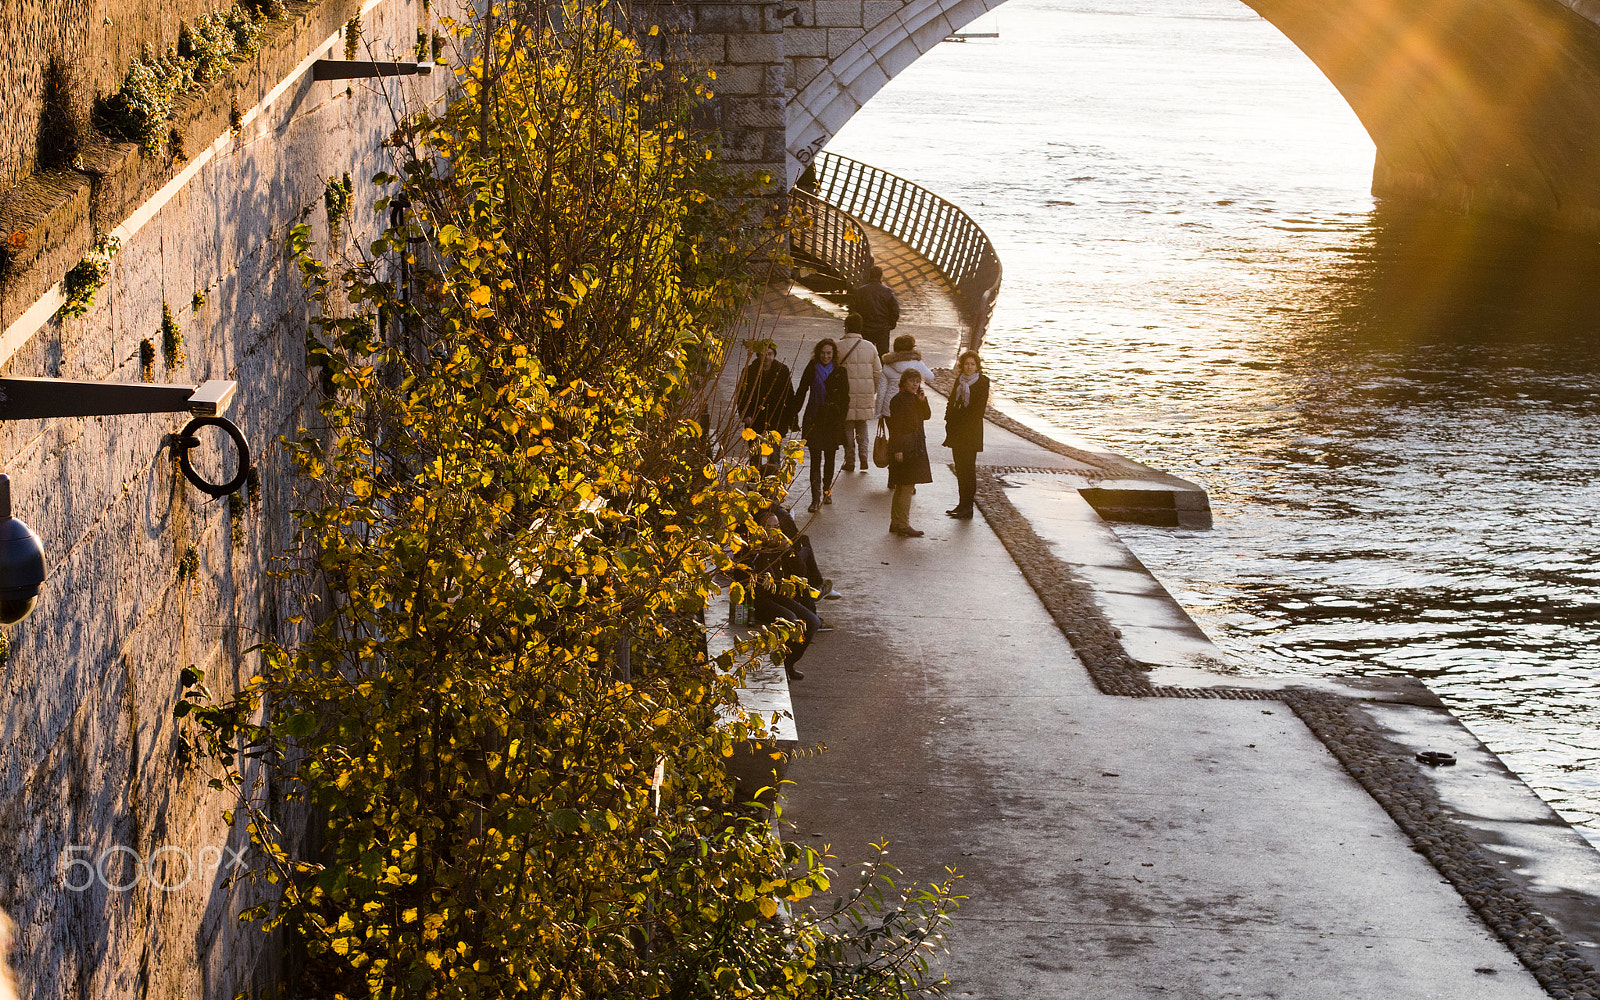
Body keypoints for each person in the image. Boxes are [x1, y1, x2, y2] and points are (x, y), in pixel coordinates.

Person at [751, 511, 822, 680]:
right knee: (790, 620)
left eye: (776, 527)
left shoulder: (780, 547)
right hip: (759, 599)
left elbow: (800, 571)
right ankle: (780, 664)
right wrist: (762, 551)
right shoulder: (753, 549)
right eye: (769, 527)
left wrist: (788, 552)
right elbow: (754, 582)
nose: (774, 531)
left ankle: (789, 663)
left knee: (813, 622)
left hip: (779, 595)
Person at [790, 338, 850, 512]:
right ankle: (815, 498)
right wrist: (793, 415)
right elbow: (802, 391)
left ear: (834, 354)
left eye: (829, 353)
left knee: (830, 459)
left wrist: (841, 417)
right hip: (814, 418)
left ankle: (826, 491)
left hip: (832, 421)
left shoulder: (840, 371)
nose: (825, 356)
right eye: (823, 353)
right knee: (815, 460)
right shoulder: (812, 368)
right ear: (818, 353)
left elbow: (845, 398)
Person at [942, 350, 990, 519]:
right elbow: (951, 401)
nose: (969, 367)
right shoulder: (959, 380)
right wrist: (948, 419)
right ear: (962, 365)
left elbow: (978, 410)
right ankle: (962, 504)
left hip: (970, 432)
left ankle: (968, 507)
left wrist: (964, 428)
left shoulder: (983, 382)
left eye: (972, 364)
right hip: (956, 431)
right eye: (966, 364)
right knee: (960, 469)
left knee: (968, 470)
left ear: (977, 366)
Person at [886, 369, 932, 537]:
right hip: (906, 446)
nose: (915, 384)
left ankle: (896, 522)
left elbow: (926, 416)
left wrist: (923, 400)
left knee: (903, 485)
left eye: (917, 381)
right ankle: (903, 523)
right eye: (912, 381)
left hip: (915, 445)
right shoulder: (898, 400)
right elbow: (895, 427)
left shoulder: (915, 398)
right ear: (904, 382)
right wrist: (897, 449)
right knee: (906, 485)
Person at [734, 342, 794, 470]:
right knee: (755, 458)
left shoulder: (782, 370)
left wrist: (790, 418)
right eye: (763, 355)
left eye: (770, 354)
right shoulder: (749, 371)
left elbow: (789, 395)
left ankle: (771, 485)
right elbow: (741, 395)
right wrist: (745, 415)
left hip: (776, 419)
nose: (766, 357)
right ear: (758, 356)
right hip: (755, 419)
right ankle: (754, 484)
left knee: (774, 457)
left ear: (774, 355)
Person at [836, 315, 883, 474]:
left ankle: (850, 460)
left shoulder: (838, 346)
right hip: (865, 392)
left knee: (848, 426)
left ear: (846, 327)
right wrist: (873, 390)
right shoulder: (870, 347)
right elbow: (878, 373)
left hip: (845, 394)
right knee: (862, 425)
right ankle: (864, 456)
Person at [877, 334, 937, 423]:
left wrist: (878, 412)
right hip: (911, 406)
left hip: (890, 407)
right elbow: (930, 377)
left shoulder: (888, 365)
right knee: (909, 434)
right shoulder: (917, 363)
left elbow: (881, 390)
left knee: (894, 435)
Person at [849, 265, 900, 355]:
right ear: (881, 276)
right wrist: (890, 324)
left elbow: (852, 311)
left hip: (865, 328)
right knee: (883, 354)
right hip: (882, 328)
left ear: (870, 275)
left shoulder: (859, 291)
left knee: (865, 353)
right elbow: (895, 311)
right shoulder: (887, 291)